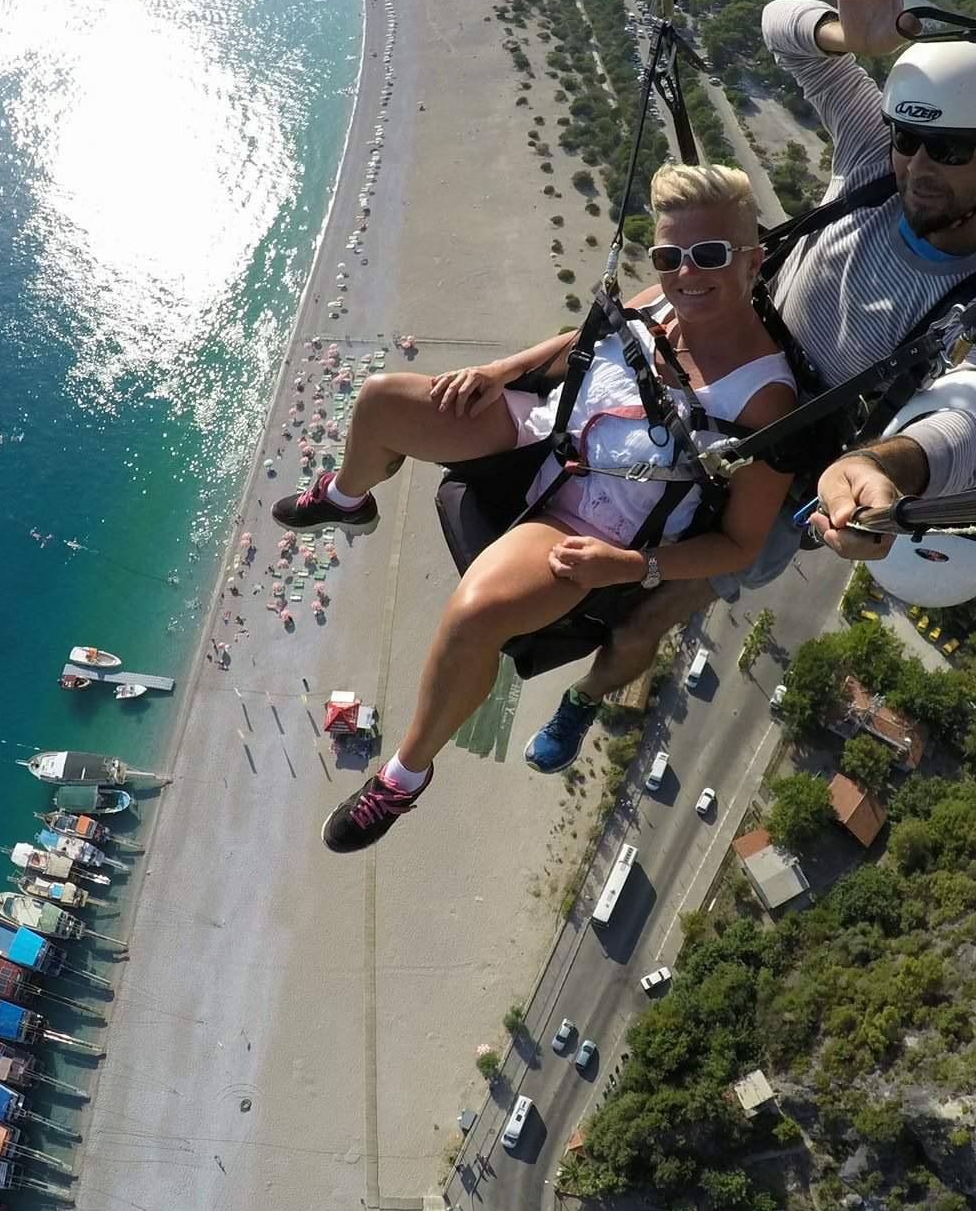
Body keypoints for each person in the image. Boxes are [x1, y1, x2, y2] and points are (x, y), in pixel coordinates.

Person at [523, 0, 976, 773]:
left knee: (654, 607)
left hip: (793, 451)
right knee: (567, 359)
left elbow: (975, 419)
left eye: (949, 151)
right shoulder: (876, 151)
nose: (917, 166)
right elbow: (778, 28)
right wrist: (860, 37)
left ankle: (584, 698)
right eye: (912, 139)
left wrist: (889, 470)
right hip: (735, 332)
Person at [272, 162, 797, 850]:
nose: (686, 274)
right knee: (382, 401)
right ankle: (348, 498)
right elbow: (589, 341)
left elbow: (739, 546)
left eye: (709, 256)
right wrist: (495, 374)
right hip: (539, 432)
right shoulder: (666, 302)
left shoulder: (765, 401)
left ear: (752, 261)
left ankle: (402, 779)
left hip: (588, 520)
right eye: (670, 256)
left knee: (473, 615)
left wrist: (631, 566)